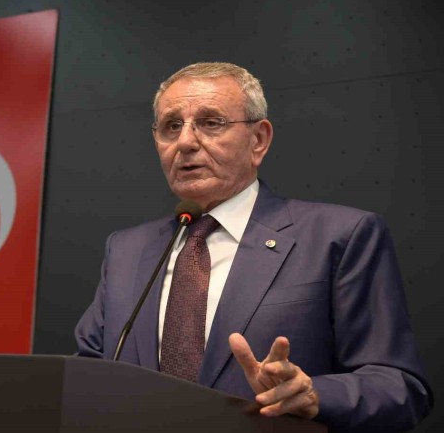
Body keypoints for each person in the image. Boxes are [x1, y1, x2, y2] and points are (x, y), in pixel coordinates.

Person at [75, 62, 432, 432]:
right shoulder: (127, 250)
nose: (185, 142)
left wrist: (314, 395)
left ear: (258, 140)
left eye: (211, 123)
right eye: (171, 126)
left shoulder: (339, 237)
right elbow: (84, 376)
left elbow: (399, 387)